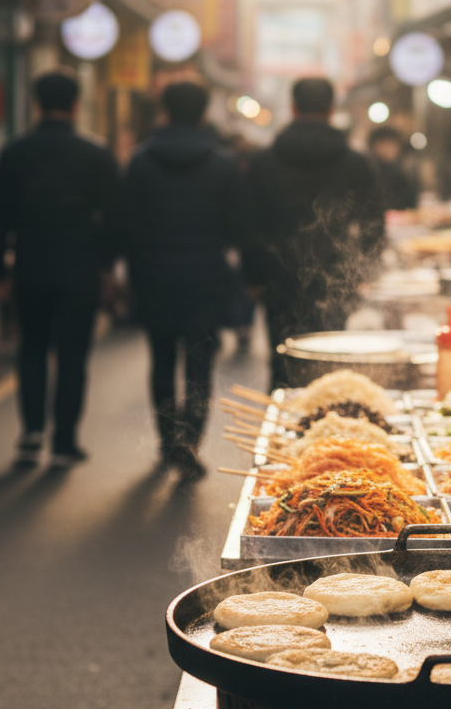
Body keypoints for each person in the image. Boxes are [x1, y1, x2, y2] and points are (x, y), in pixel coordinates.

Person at [0, 69, 121, 468]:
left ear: (36, 104)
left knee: (32, 348)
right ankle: (64, 441)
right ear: (77, 105)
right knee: (73, 354)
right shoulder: (96, 153)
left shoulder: (14, 151)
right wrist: (107, 264)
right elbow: (114, 217)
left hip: (30, 265)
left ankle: (30, 432)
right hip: (80, 269)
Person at [124, 82, 240, 481]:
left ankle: (165, 441)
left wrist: (132, 275)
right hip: (205, 276)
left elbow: (130, 225)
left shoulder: (141, 161)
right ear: (204, 114)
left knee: (160, 361)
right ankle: (189, 441)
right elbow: (234, 226)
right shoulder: (222, 164)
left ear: (165, 113)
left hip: (154, 275)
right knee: (199, 363)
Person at [242, 77, 385, 388]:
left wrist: (253, 276)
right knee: (330, 364)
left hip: (279, 276)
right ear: (332, 110)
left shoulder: (264, 162)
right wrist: (363, 270)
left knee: (283, 360)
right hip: (336, 276)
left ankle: (282, 430)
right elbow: (374, 221)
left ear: (292, 108)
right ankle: (326, 429)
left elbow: (249, 223)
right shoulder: (355, 162)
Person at [368, 125, 418, 211]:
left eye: (391, 144)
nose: (386, 149)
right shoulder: (368, 173)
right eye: (382, 144)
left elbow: (411, 205)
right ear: (373, 147)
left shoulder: (405, 173)